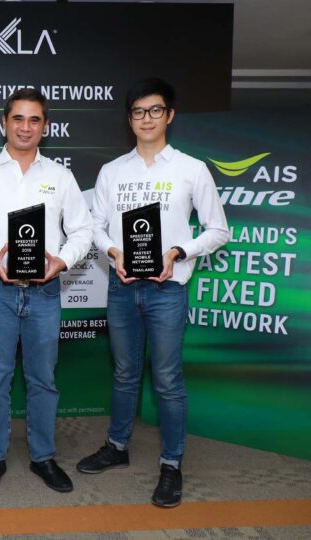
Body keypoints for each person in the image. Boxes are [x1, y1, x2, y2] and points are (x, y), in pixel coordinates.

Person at [78, 78, 230, 508]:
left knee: (166, 378)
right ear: (130, 119)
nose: (147, 118)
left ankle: (171, 463)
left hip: (168, 289)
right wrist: (113, 252)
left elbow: (219, 230)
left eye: (155, 110)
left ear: (170, 115)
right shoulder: (112, 171)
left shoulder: (191, 169)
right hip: (122, 288)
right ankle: (117, 447)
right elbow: (94, 226)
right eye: (139, 112)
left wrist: (179, 251)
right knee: (125, 374)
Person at [0, 88, 92, 494]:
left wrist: (61, 261)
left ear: (45, 126)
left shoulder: (60, 177)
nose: (25, 127)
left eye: (34, 120)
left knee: (43, 378)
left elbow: (83, 231)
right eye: (18, 118)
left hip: (44, 293)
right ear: (4, 122)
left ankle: (43, 457)